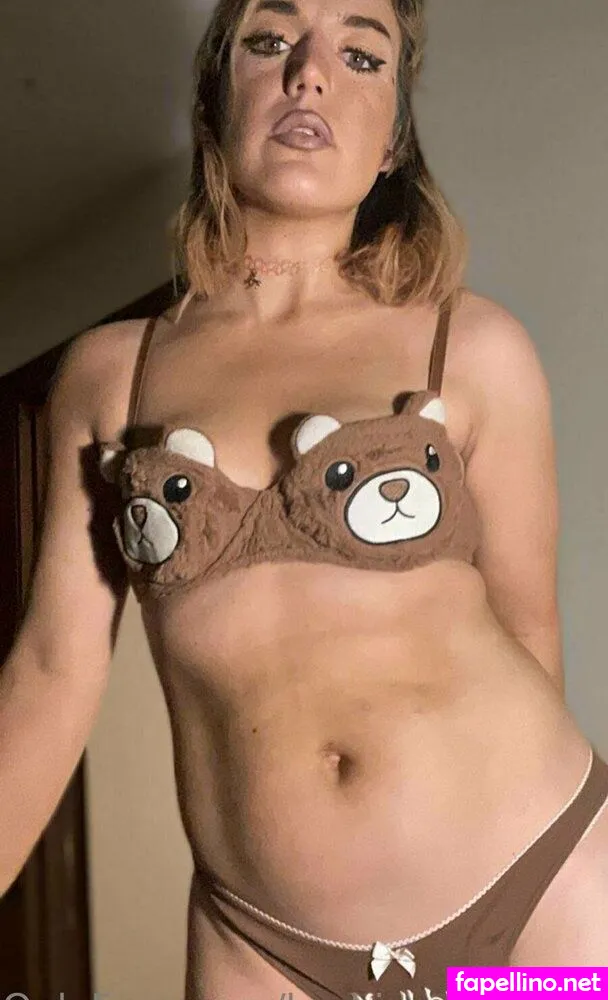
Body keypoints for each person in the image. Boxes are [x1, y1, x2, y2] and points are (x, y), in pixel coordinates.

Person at [2, 0, 607, 996]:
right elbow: (48, 675)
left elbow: (528, 634)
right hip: (262, 944)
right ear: (215, 101)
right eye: (270, 41)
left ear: (393, 138)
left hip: (542, 894)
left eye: (360, 54)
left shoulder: (471, 345)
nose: (310, 72)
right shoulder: (111, 373)